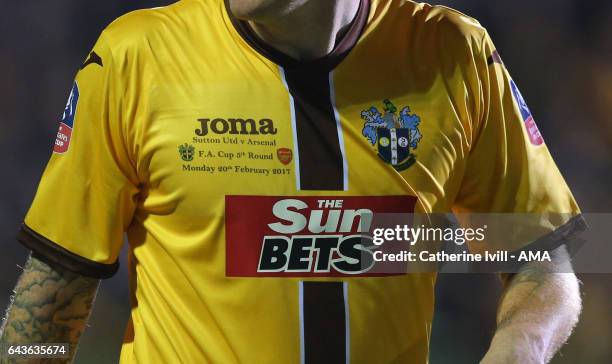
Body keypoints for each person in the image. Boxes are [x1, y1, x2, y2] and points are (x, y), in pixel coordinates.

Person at [0, 0, 586, 363]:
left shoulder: (453, 55)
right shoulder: (139, 57)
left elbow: (542, 259)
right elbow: (50, 304)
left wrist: (520, 351)